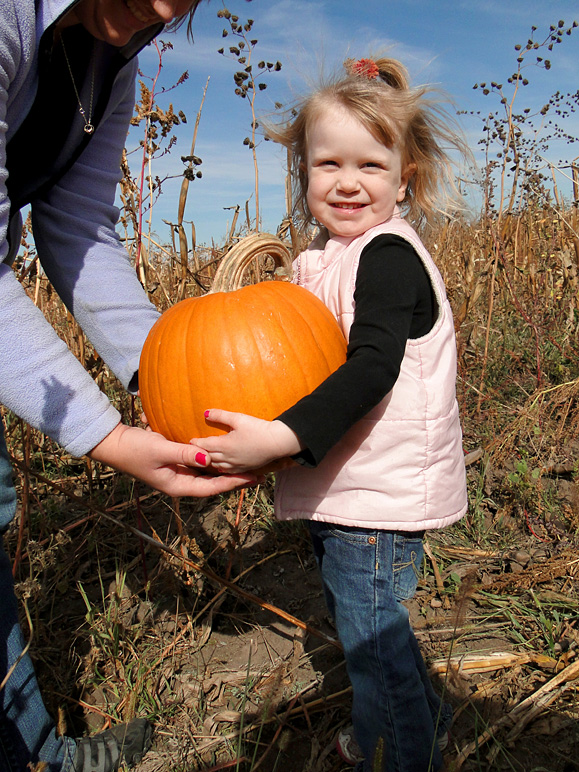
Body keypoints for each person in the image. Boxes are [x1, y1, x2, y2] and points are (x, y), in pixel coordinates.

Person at [0, 1, 258, 770]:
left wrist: (172, 377)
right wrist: (107, 439)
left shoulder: (111, 62)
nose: (159, 8)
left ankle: (31, 753)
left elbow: (78, 231)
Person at [194, 56, 469, 772]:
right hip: (344, 485)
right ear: (304, 173)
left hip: (375, 498)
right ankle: (417, 724)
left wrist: (284, 436)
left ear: (404, 176)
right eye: (327, 164)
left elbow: (372, 368)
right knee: (375, 629)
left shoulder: (385, 257)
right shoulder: (327, 256)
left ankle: (401, 751)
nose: (347, 182)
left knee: (370, 643)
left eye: (370, 166)